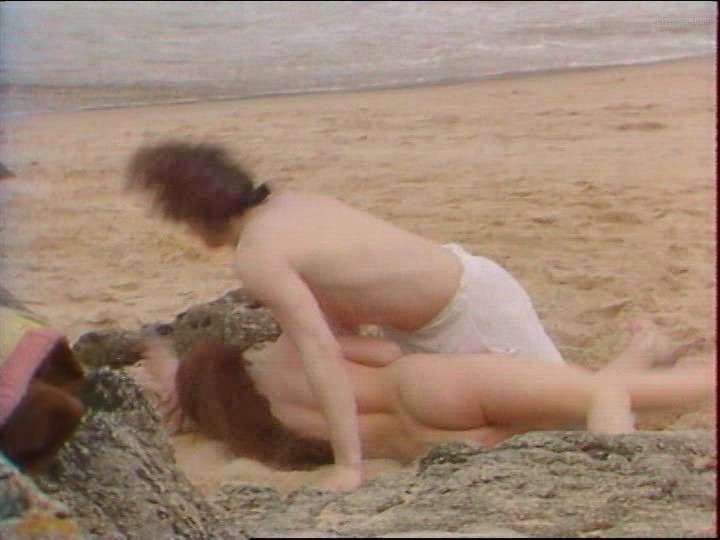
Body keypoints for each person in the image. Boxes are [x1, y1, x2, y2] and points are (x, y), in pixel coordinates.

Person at [125, 141, 563, 490]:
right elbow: (339, 324)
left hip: (468, 312)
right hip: (452, 297)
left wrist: (348, 465)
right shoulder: (291, 206)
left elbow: (321, 352)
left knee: (561, 418)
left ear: (195, 218)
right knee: (521, 415)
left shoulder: (259, 255)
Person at [128, 320, 714, 475]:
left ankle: (646, 349)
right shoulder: (286, 351)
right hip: (425, 387)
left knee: (576, 409)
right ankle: (628, 464)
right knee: (604, 393)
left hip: (420, 445)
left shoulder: (257, 434)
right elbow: (385, 352)